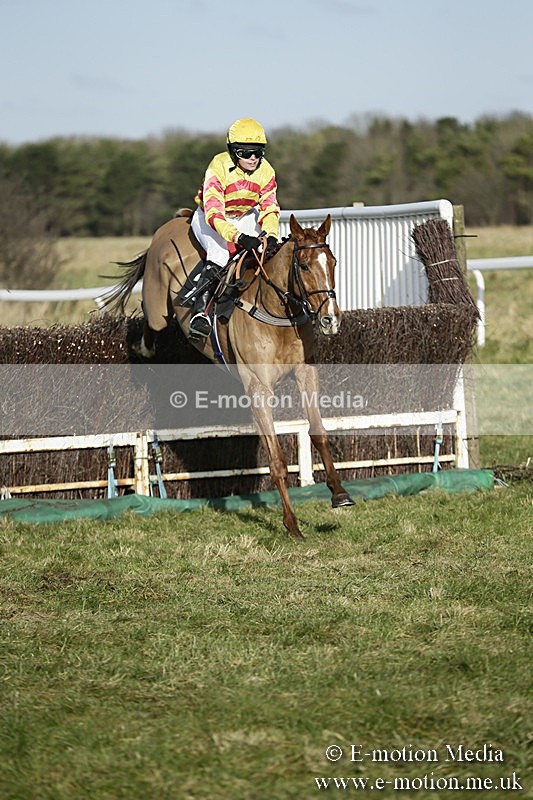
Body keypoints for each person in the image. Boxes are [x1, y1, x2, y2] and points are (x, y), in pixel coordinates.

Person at [188, 118, 280, 338]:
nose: (253, 158)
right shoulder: (217, 166)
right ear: (232, 151)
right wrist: (238, 237)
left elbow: (270, 208)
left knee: (265, 250)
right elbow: (214, 214)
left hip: (244, 215)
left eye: (258, 152)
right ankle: (199, 314)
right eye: (246, 153)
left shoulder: (266, 171)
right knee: (219, 254)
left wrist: (272, 235)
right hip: (210, 217)